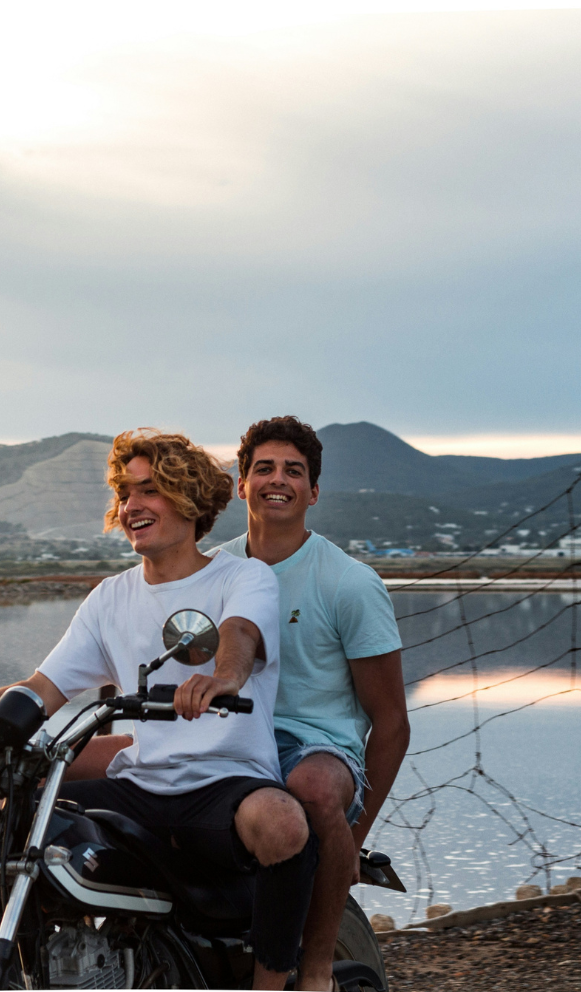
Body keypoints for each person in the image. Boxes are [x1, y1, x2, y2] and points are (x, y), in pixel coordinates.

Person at [0, 429, 318, 990]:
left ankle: (270, 984)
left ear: (189, 500)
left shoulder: (241, 576)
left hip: (222, 783)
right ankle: (53, 961)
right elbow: (46, 685)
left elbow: (241, 636)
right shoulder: (110, 597)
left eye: (150, 491)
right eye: (126, 495)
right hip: (142, 784)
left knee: (280, 821)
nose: (132, 507)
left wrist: (220, 678)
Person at [216, 416, 410, 992]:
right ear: (240, 484)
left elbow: (393, 723)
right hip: (233, 740)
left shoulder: (348, 583)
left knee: (314, 788)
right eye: (264, 469)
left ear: (313, 492)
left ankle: (318, 972)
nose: (278, 480)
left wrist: (351, 836)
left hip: (319, 749)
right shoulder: (215, 572)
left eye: (293, 471)